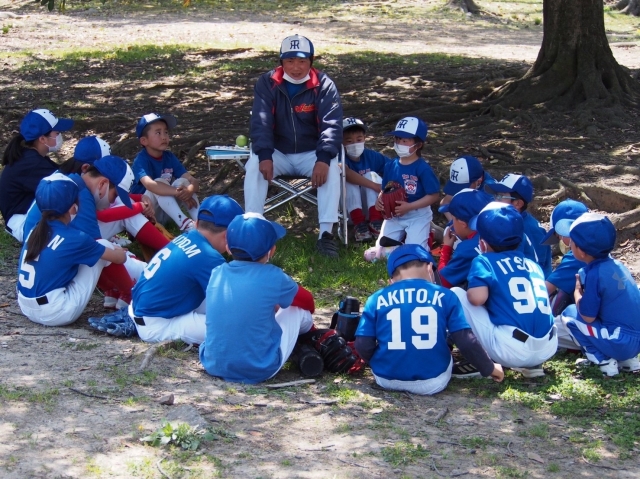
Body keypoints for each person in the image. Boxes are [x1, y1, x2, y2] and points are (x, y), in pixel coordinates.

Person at [87, 195, 244, 343]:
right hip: (157, 324)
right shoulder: (210, 257)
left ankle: (131, 317)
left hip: (144, 308)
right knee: (235, 328)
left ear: (196, 223)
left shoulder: (187, 237)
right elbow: (236, 303)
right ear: (228, 235)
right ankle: (134, 323)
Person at [354, 244, 503, 395]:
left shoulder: (376, 298)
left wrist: (377, 361)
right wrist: (489, 368)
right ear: (430, 268)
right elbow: (465, 340)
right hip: (432, 382)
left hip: (385, 379)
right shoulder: (446, 295)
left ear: (391, 280)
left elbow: (362, 344)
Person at [244, 34, 343, 258]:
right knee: (253, 166)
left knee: (332, 171)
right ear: (281, 62)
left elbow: (332, 125)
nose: (296, 68)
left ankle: (326, 235)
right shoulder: (267, 83)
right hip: (278, 151)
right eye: (289, 61)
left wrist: (324, 158)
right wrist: (265, 155)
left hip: (312, 153)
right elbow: (261, 122)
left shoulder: (324, 84)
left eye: (301, 61)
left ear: (311, 61)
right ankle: (252, 229)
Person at [199, 213, 317, 383]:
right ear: (272, 251)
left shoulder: (217, 273)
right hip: (260, 368)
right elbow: (308, 302)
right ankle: (312, 337)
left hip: (213, 363)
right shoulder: (274, 276)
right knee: (297, 310)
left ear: (229, 248)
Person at [451, 202, 558, 378]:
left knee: (456, 294)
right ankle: (533, 366)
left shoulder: (484, 261)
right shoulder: (533, 265)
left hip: (510, 349)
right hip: (548, 347)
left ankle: (480, 361)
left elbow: (477, 298)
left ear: (482, 243)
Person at [16, 173, 126, 327]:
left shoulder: (35, 230)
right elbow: (119, 258)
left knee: (92, 251)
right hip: (55, 312)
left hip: (26, 306)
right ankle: (130, 297)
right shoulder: (75, 237)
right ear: (73, 207)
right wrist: (119, 250)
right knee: (104, 246)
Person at [559, 213, 640, 376]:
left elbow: (587, 316)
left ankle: (604, 361)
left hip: (619, 340)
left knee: (569, 313)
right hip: (635, 342)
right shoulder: (619, 265)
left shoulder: (594, 273)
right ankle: (629, 361)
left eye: (572, 243)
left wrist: (577, 292)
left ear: (581, 251)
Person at [0, 109, 74, 243]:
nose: (60, 136)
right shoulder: (30, 163)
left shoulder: (31, 156)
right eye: (56, 133)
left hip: (25, 218)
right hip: (23, 224)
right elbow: (65, 184)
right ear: (42, 138)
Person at [373, 117, 440, 252]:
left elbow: (434, 195)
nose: (399, 143)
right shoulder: (391, 165)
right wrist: (380, 200)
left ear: (418, 144)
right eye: (397, 139)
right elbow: (385, 189)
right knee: (381, 251)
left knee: (415, 252)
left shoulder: (423, 168)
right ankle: (405, 241)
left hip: (418, 214)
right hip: (395, 214)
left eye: (405, 140)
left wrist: (410, 206)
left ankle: (428, 235)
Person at [130, 113, 200, 232]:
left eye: (166, 132)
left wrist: (189, 190)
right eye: (158, 133)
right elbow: (150, 185)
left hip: (166, 211)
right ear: (144, 140)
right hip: (147, 214)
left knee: (183, 181)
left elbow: (192, 180)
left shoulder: (169, 157)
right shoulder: (140, 160)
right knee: (159, 182)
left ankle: (201, 222)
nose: (164, 137)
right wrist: (178, 192)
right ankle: (184, 224)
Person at [485, 174, 551, 276]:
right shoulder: (505, 222)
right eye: (495, 196)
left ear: (518, 204)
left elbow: (537, 269)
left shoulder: (531, 229)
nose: (495, 201)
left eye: (500, 196)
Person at [342, 117, 390, 242]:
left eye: (358, 140)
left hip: (373, 208)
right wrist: (375, 186)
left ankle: (376, 222)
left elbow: (393, 169)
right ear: (341, 142)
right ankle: (359, 226)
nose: (355, 144)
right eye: (349, 141)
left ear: (364, 138)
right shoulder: (339, 157)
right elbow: (347, 173)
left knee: (371, 174)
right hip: (348, 212)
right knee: (348, 179)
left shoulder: (371, 156)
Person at [541, 200, 589, 323]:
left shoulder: (577, 256)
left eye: (559, 236)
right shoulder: (596, 249)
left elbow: (544, 290)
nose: (561, 241)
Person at [437, 188, 493, 289]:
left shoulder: (467, 249)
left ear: (463, 223)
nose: (452, 224)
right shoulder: (502, 232)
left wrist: (446, 249)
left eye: (453, 219)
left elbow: (441, 283)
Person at [439, 155, 495, 222]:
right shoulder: (472, 180)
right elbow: (444, 203)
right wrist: (454, 224)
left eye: (463, 187)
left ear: (478, 181)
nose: (459, 191)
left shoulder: (490, 195)